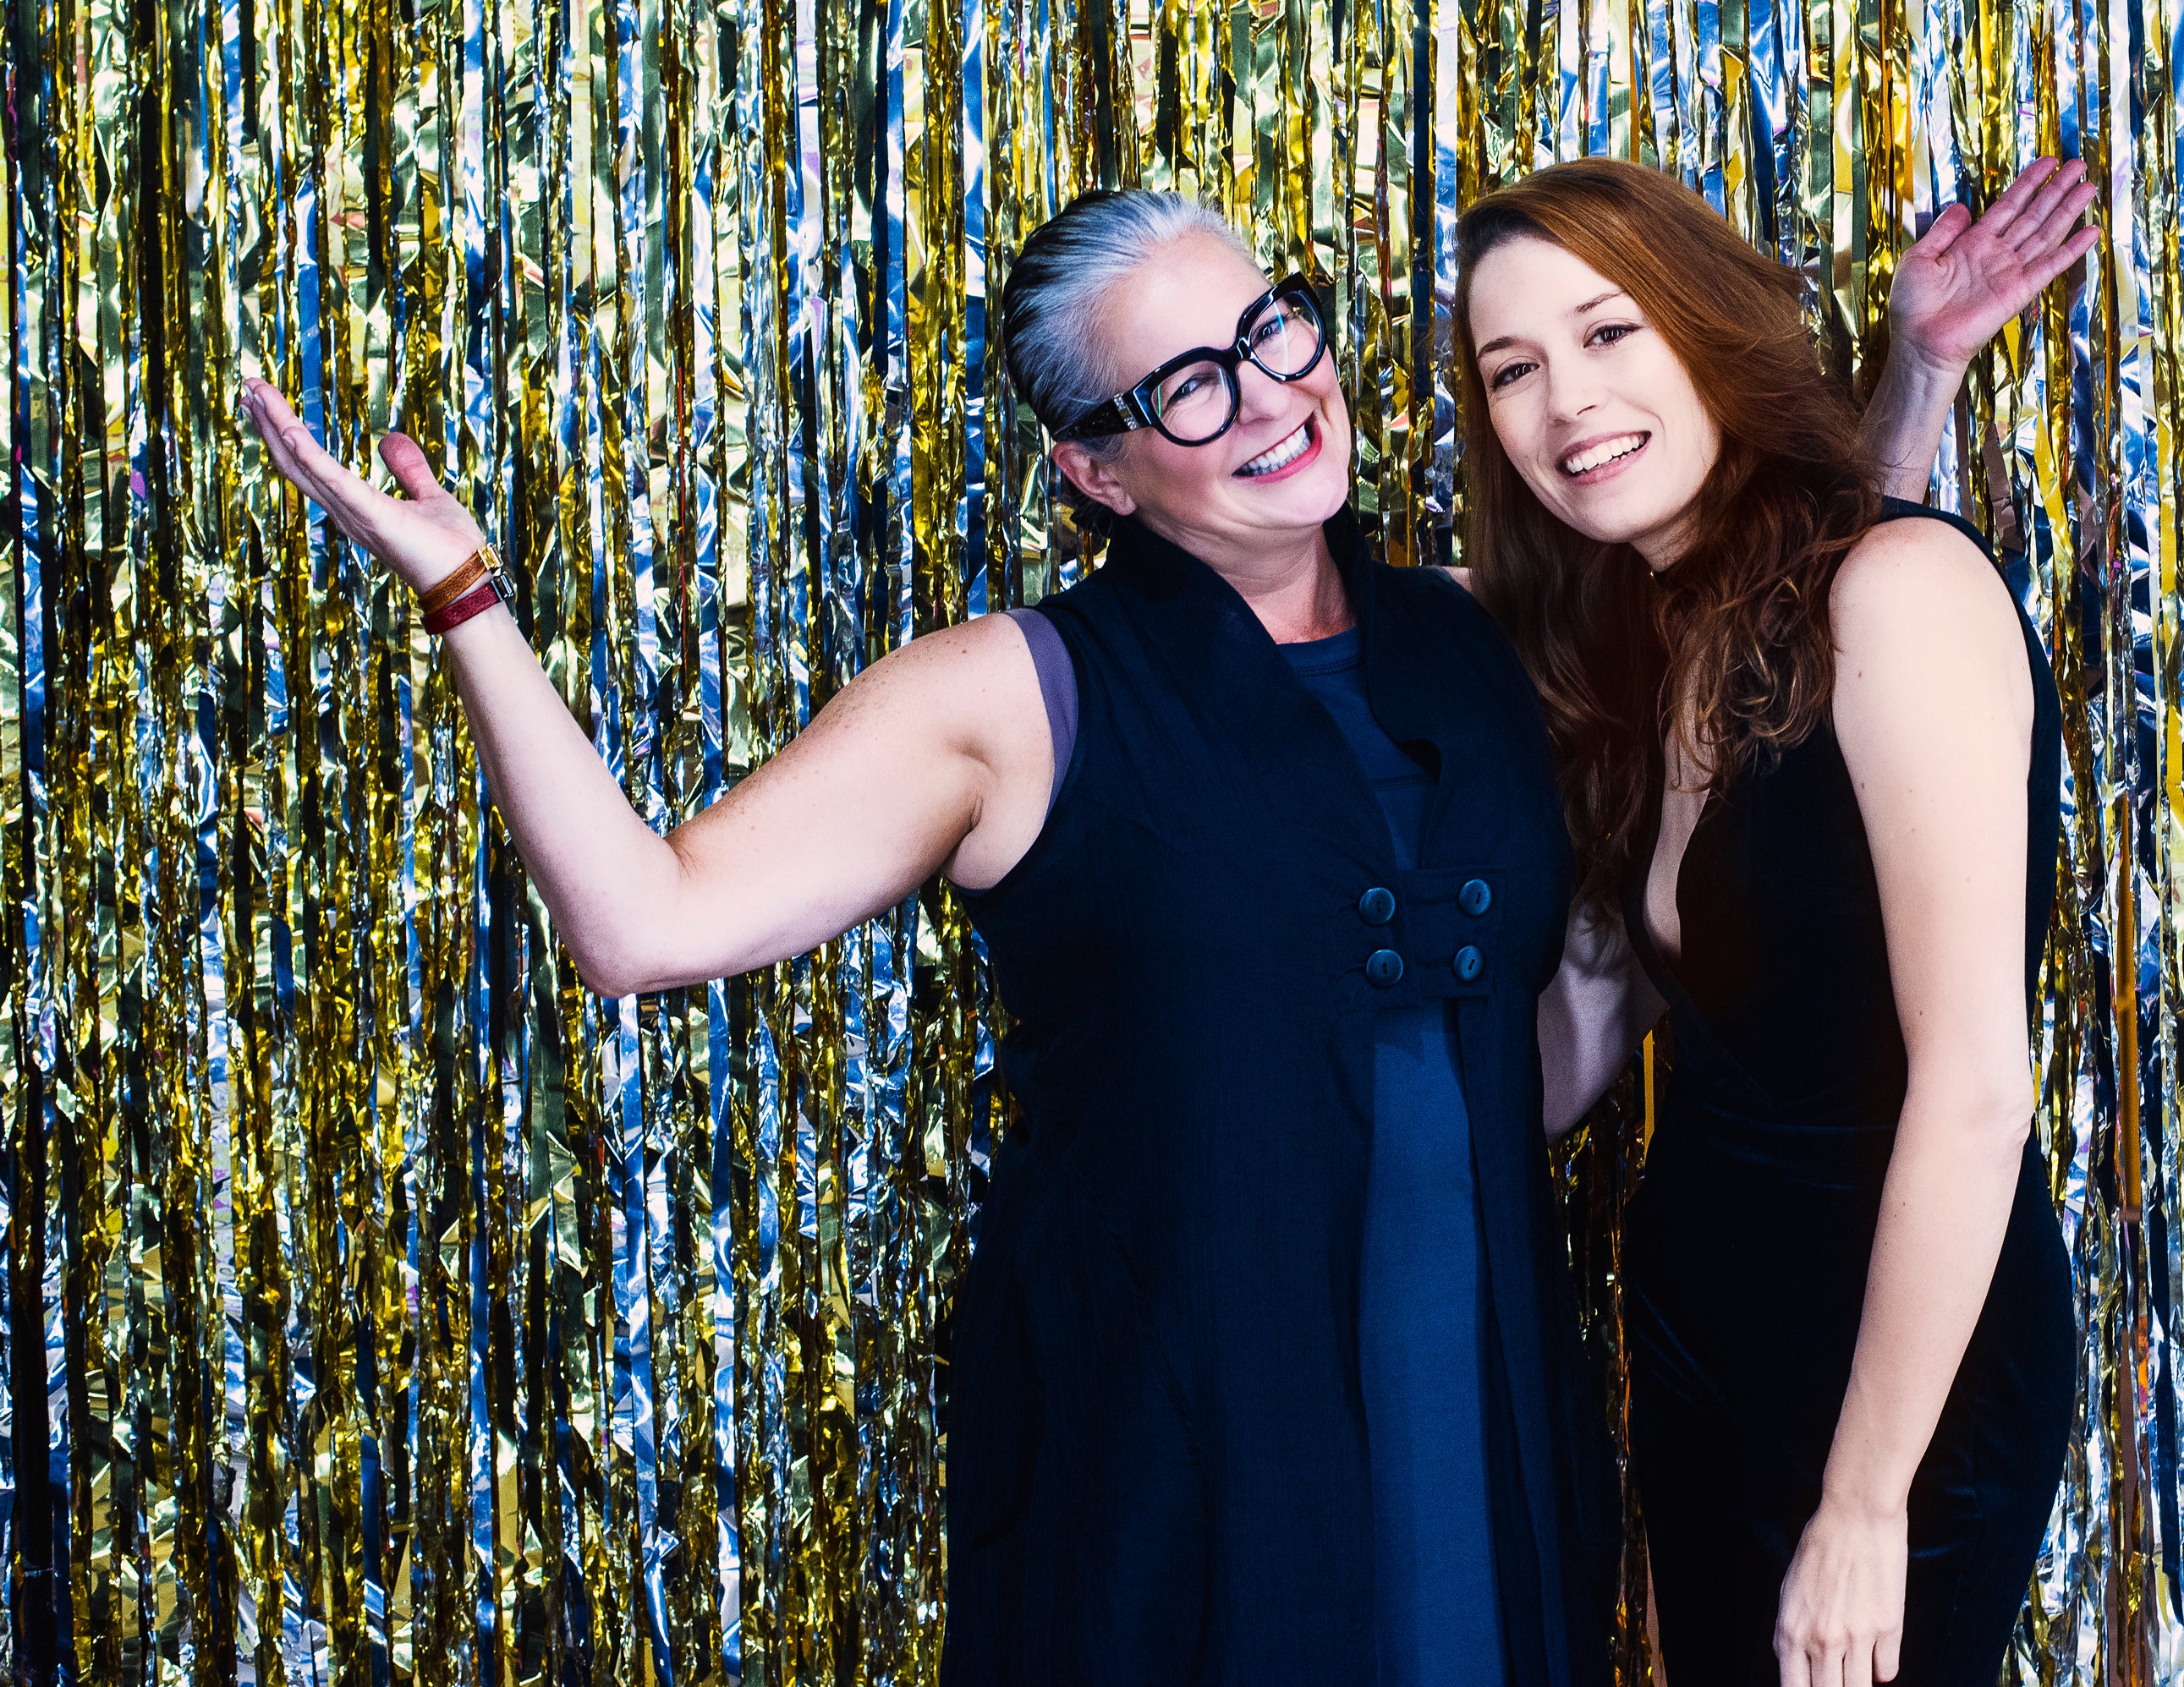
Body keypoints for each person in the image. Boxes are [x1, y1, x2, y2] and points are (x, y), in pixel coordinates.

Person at [238, 190, 1620, 1684]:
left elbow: (1742, 752)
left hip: (1482, 1416)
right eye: (1190, 387)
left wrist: (1912, 385)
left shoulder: (1488, 636)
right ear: (1098, 468)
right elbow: (645, 922)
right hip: (1181, 1458)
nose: (1272, 396)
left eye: (1267, 328)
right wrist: (464, 597)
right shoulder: (1011, 697)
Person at [1460, 156, 2095, 1687]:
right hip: (1699, 1327)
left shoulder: (1905, 591)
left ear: (1708, 328)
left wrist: (1866, 1502)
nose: (1566, 403)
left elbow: (1972, 1089)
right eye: (1512, 369)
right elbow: (1571, 1061)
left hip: (1897, 1369)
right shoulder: (1653, 647)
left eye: (1611, 333)